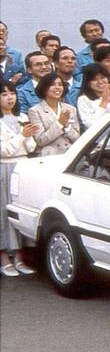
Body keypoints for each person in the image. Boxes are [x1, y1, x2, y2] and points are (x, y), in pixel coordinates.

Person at [1, 81, 38, 276]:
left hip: (22, 166)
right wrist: (21, 137)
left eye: (12, 93)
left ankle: (20, 256)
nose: (9, 97)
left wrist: (27, 137)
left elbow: (31, 147)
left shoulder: (22, 117)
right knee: (4, 211)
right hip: (4, 167)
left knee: (20, 211)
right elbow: (4, 150)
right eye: (4, 94)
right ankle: (5, 258)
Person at [27, 73, 80, 156]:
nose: (57, 87)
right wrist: (59, 124)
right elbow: (40, 140)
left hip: (69, 154)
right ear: (44, 88)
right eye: (52, 85)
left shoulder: (71, 109)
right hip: (48, 155)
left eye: (60, 84)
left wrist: (67, 127)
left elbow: (77, 138)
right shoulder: (35, 111)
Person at [75, 62, 110, 130]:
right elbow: (90, 125)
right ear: (88, 83)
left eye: (103, 77)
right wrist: (103, 103)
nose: (100, 82)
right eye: (95, 79)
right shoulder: (83, 99)